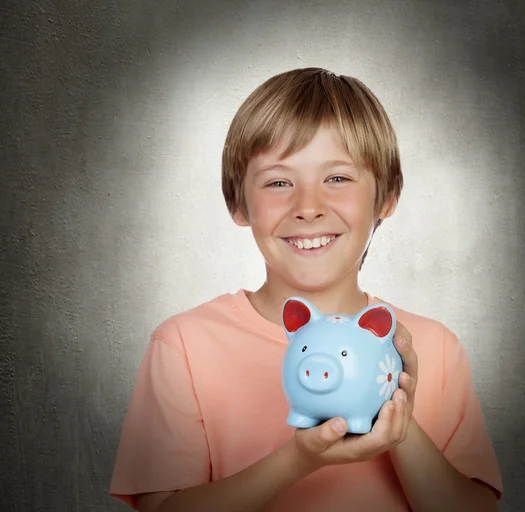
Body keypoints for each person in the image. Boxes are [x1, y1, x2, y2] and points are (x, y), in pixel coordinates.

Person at [109, 67, 503, 512]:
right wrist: (299, 458)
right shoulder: (184, 345)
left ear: (387, 197)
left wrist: (396, 418)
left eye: (337, 178)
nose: (308, 207)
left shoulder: (434, 348)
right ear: (238, 204)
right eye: (279, 182)